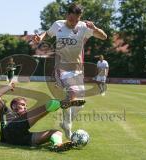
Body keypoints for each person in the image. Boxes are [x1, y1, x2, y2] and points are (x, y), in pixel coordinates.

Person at [32, 3, 107, 139]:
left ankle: (66, 124)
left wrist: (94, 28)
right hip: (61, 68)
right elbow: (47, 34)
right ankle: (68, 125)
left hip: (77, 70)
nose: (74, 23)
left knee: (80, 103)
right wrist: (40, 38)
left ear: (80, 18)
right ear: (67, 15)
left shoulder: (84, 27)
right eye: (72, 19)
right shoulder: (58, 25)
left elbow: (104, 37)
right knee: (72, 94)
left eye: (77, 20)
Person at [0, 81, 85, 152]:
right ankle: (61, 103)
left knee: (56, 132)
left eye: (26, 106)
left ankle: (57, 145)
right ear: (14, 106)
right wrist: (9, 86)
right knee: (49, 105)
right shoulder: (7, 112)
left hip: (20, 139)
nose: (25, 107)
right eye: (23, 105)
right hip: (11, 128)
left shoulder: (21, 117)